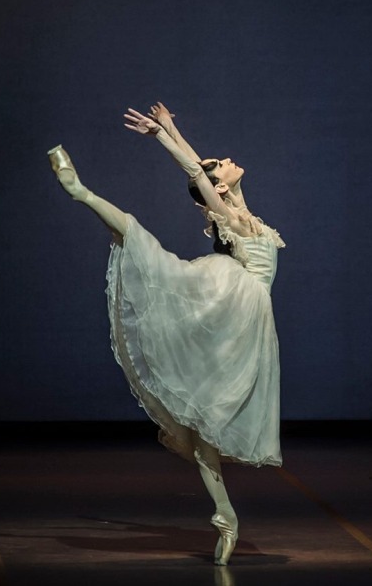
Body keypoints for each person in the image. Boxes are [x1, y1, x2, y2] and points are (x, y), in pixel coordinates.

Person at [47, 102, 285, 565]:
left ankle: (226, 518)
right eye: (222, 167)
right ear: (218, 186)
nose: (226, 161)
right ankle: (82, 192)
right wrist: (163, 136)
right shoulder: (230, 218)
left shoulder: (241, 212)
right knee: (139, 239)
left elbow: (202, 169)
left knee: (205, 428)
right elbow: (198, 173)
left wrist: (171, 127)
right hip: (233, 302)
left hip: (242, 316)